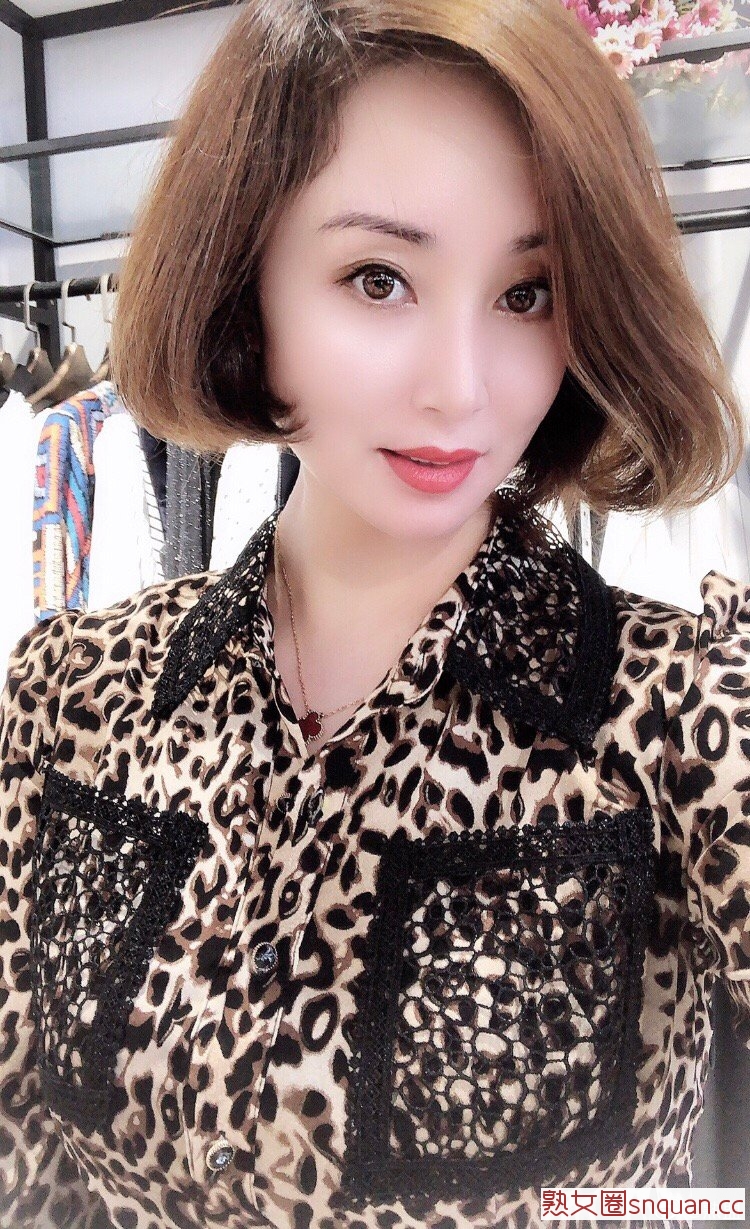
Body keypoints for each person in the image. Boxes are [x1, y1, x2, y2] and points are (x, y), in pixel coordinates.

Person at [0, 1, 748, 1228]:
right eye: (380, 278)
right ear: (246, 283)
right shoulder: (75, 691)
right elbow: (27, 1164)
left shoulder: (678, 712)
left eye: (528, 292)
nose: (461, 386)